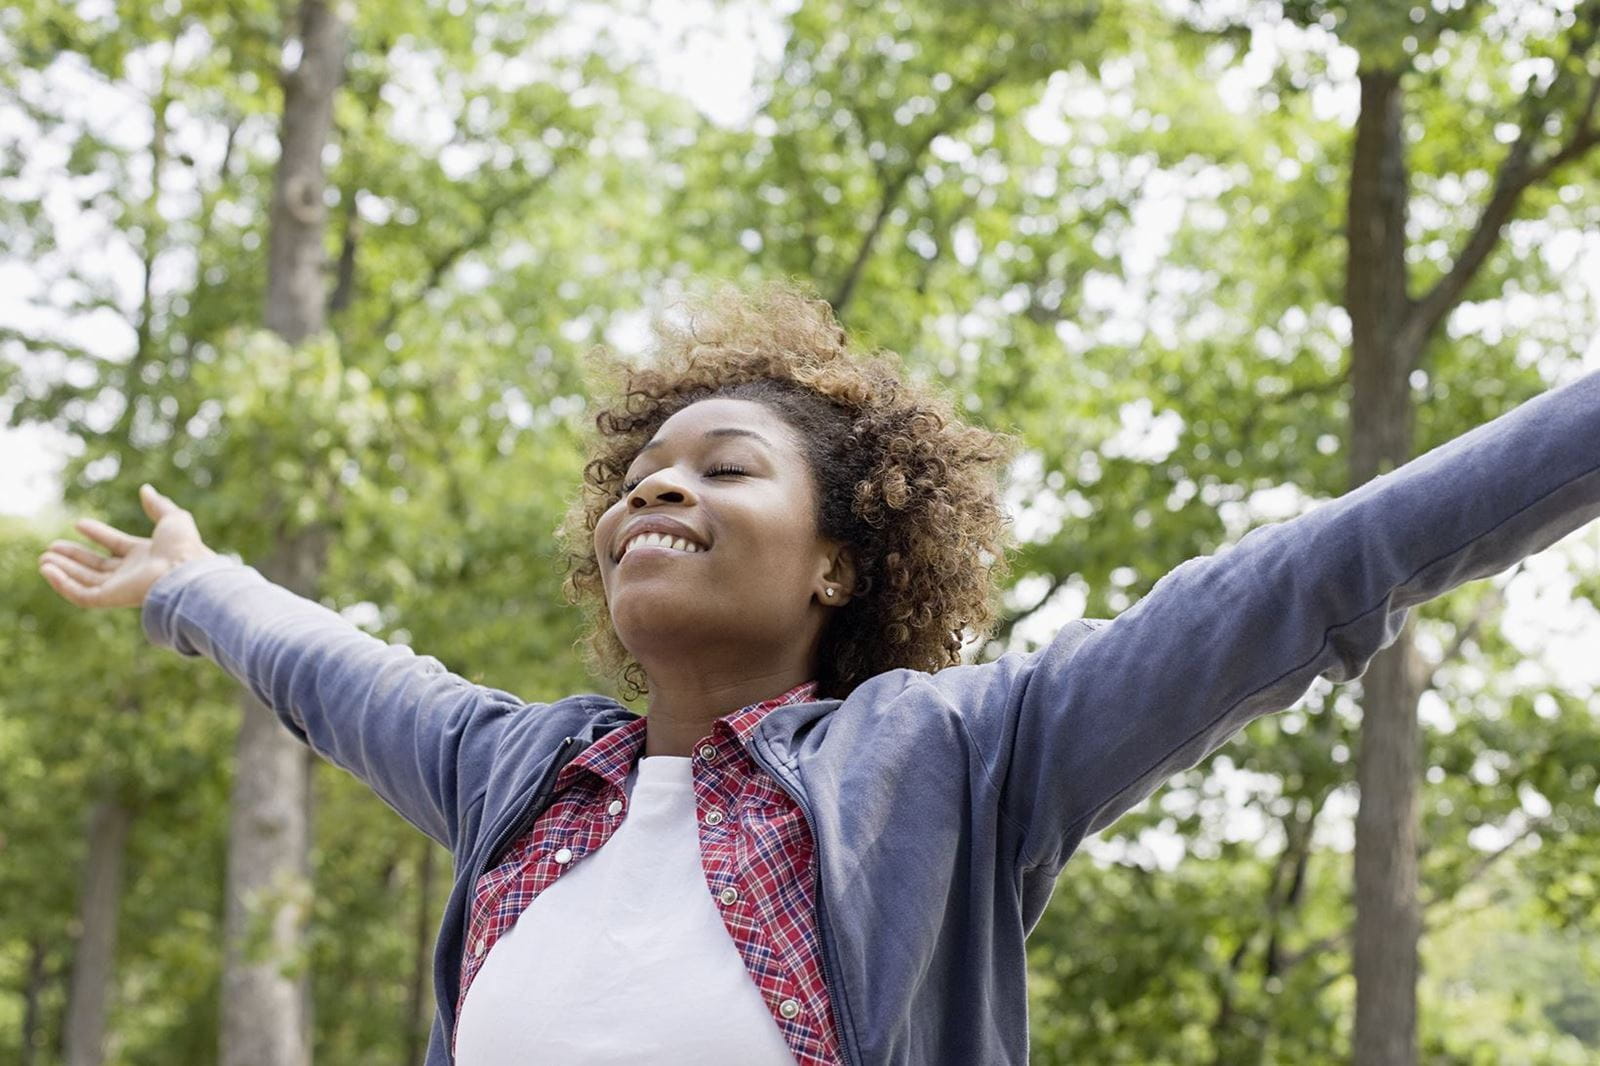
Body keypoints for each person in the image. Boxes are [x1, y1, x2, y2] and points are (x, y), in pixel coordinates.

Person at [36, 283, 1600, 1066]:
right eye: (640, 474)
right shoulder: (518, 777)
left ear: (841, 559)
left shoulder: (959, 761)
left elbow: (1315, 576)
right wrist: (195, 587)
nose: (658, 490)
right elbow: (334, 665)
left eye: (724, 468)